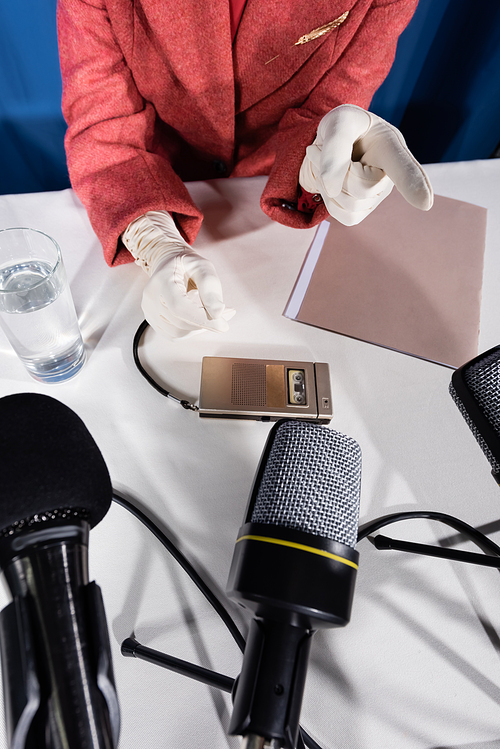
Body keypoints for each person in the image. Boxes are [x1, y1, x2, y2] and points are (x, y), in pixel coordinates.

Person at [57, 0, 433, 338]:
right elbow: (103, 119)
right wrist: (152, 238)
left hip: (275, 193)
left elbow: (329, 107)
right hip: (158, 177)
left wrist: (332, 152)